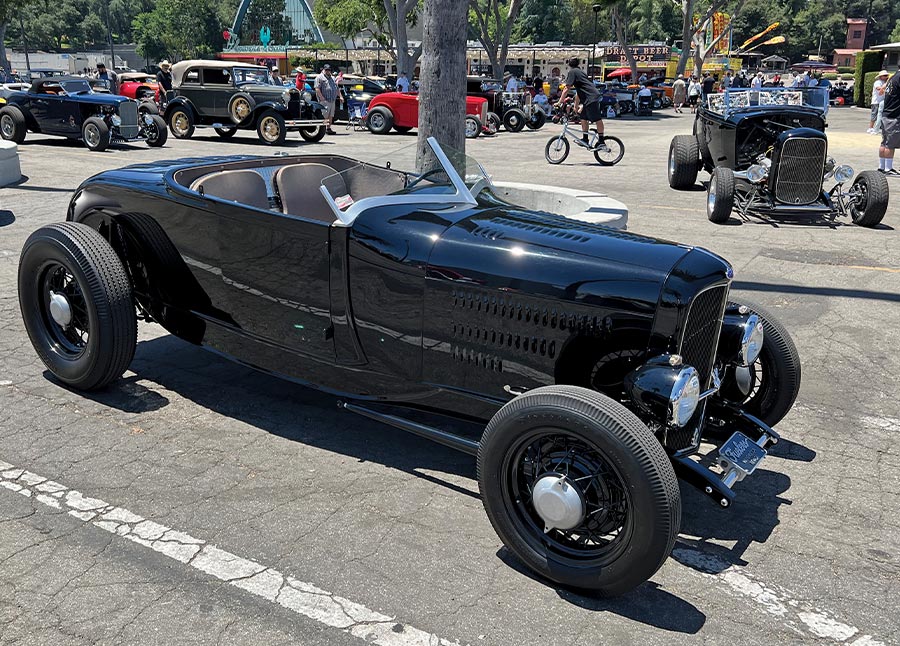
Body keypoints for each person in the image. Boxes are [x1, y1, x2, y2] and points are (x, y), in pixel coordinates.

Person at [562, 57, 607, 151]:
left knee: (597, 118)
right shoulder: (580, 72)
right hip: (589, 98)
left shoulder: (572, 72)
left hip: (591, 98)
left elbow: (567, 88)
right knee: (583, 117)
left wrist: (559, 101)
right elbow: (579, 91)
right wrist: (575, 105)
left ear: (569, 65)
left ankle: (602, 141)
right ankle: (585, 139)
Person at [878, 69, 900, 176]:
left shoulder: (893, 77)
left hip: (886, 114)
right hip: (893, 115)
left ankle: (882, 166)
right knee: (890, 144)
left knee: (885, 142)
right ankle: (888, 168)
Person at [314, 64, 339, 135]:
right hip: (325, 100)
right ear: (324, 70)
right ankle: (323, 129)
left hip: (332, 99)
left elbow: (336, 88)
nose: (328, 71)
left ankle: (328, 128)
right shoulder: (319, 77)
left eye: (329, 70)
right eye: (327, 70)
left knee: (331, 115)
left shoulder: (332, 78)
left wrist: (340, 96)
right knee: (324, 115)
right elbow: (317, 88)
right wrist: (322, 98)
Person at [869, 70, 890, 135]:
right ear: (881, 76)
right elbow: (878, 88)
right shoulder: (877, 82)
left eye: (887, 75)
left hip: (882, 101)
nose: (886, 77)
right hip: (876, 101)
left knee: (880, 115)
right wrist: (883, 89)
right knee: (874, 115)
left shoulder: (885, 82)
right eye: (885, 76)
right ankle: (870, 127)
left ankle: (878, 127)